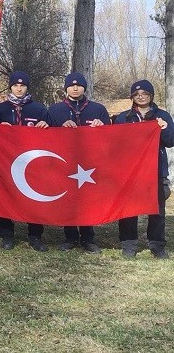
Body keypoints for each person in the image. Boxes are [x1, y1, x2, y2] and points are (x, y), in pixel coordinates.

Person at [47, 72, 110, 253]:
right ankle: (70, 237)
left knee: (88, 200)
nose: (75, 88)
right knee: (68, 199)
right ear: (66, 88)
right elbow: (45, 137)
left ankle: (88, 238)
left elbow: (111, 138)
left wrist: (101, 128)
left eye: (79, 85)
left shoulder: (98, 109)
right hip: (65, 163)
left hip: (90, 164)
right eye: (71, 86)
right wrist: (59, 128)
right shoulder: (54, 110)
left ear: (85, 88)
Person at [0, 71, 50, 251]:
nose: (19, 88)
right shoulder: (1, 109)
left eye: (22, 86)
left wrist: (46, 127)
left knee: (34, 197)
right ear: (11, 87)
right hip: (6, 161)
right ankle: (7, 235)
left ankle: (35, 236)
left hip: (32, 162)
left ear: (27, 88)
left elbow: (51, 137)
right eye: (16, 85)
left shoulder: (39, 109)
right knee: (6, 195)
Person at [114, 80, 173, 259]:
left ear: (151, 96)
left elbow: (171, 141)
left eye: (145, 94)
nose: (141, 97)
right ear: (132, 97)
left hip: (155, 171)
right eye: (137, 94)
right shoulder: (124, 117)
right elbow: (115, 143)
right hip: (130, 171)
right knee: (128, 208)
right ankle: (128, 244)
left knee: (156, 210)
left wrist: (163, 128)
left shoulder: (162, 115)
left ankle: (157, 245)